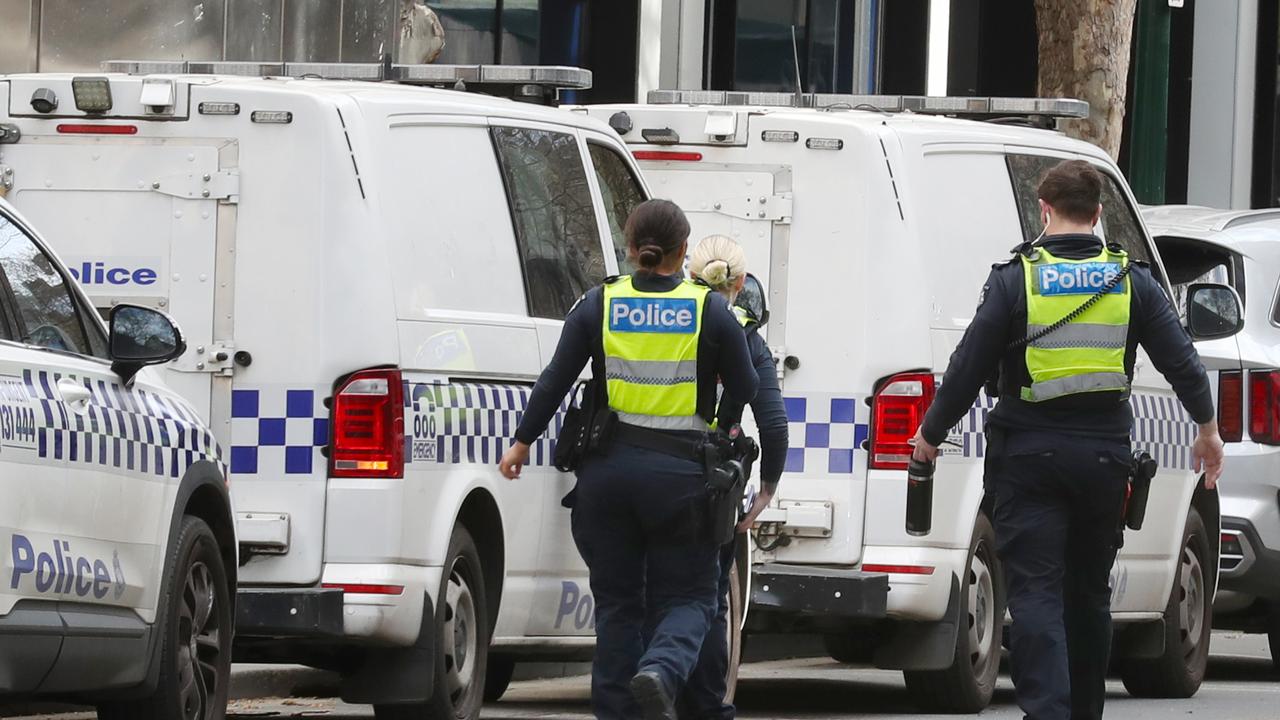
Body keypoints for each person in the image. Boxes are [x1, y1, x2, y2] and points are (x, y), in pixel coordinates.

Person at [909, 159, 1225, 720]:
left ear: (1044, 211)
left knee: (1035, 595)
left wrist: (931, 435)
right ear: (1100, 215)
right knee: (1088, 596)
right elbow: (1182, 360)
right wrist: (1207, 431)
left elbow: (967, 367)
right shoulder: (1130, 280)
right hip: (1104, 460)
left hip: (1029, 458)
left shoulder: (1017, 278)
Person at [498, 200, 759, 720]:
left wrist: (522, 442)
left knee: (617, 608)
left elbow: (556, 378)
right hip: (681, 482)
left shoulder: (600, 302)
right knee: (690, 599)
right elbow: (747, 386)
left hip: (606, 481)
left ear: (630, 244)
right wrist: (721, 433)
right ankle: (662, 670)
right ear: (683, 251)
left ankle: (617, 711)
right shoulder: (710, 310)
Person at [679, 235, 789, 720]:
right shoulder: (745, 335)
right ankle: (704, 701)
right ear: (741, 284)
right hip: (713, 482)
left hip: (645, 467)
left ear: (690, 276)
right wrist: (766, 489)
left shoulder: (665, 317)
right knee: (710, 594)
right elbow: (774, 422)